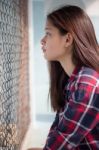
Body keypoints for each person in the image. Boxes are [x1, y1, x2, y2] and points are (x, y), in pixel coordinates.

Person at [29, 5, 99, 150]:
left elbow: (60, 143)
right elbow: (57, 135)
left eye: (48, 33)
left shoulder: (87, 84)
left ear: (67, 39)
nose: (42, 40)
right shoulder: (72, 80)